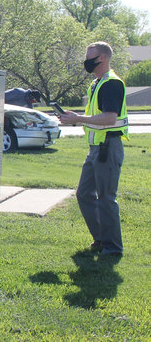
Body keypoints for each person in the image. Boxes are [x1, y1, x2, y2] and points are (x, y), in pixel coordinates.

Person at [57, 42, 128, 257]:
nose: (87, 62)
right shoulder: (97, 83)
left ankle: (112, 248)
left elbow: (109, 117)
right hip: (96, 147)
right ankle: (101, 239)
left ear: (103, 59)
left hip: (108, 147)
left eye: (91, 58)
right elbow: (95, 116)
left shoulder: (111, 84)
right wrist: (74, 117)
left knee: (106, 198)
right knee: (85, 193)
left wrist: (77, 118)